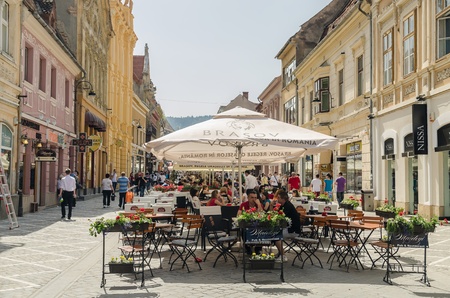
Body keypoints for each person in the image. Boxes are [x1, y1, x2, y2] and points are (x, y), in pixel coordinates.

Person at [274, 190, 301, 262]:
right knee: (276, 234)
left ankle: (283, 256)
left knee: (276, 237)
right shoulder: (284, 205)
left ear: (283, 199)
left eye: (278, 197)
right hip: (289, 228)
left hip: (293, 230)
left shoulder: (287, 206)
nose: (277, 199)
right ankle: (280, 253)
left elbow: (279, 218)